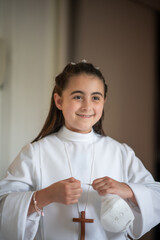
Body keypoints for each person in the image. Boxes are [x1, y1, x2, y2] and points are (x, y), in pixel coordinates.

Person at [0, 61, 160, 240]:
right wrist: (47, 195)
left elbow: (156, 197)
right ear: (59, 101)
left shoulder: (121, 153)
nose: (87, 106)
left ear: (104, 102)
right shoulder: (35, 153)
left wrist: (128, 190)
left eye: (95, 97)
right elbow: (3, 206)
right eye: (78, 97)